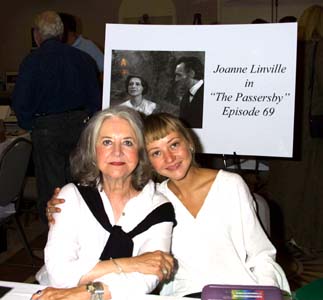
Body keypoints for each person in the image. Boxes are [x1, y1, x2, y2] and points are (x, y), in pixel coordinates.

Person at [47, 113, 291, 298]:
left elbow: (261, 255)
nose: (169, 158)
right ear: (147, 161)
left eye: (174, 145)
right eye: (156, 152)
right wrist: (62, 209)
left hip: (241, 292)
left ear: (190, 143)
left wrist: (265, 292)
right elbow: (136, 257)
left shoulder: (230, 185)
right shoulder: (155, 200)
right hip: (186, 294)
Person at [32, 107, 176, 300]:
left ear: (140, 151)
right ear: (93, 150)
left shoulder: (158, 207)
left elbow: (146, 279)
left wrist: (82, 293)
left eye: (127, 142)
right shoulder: (71, 196)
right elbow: (59, 275)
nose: (117, 152)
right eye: (107, 142)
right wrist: (129, 264)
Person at [12, 11, 101, 224]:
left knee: (52, 191)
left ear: (37, 35)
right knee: (82, 184)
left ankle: (55, 240)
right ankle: (85, 234)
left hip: (46, 129)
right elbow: (95, 100)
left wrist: (31, 125)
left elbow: (20, 103)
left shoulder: (31, 62)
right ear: (61, 34)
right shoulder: (83, 59)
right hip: (80, 126)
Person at [267, 5, 323, 251]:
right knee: (311, 188)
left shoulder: (287, 51)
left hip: (284, 129)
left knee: (283, 186)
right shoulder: (320, 52)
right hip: (312, 134)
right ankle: (307, 238)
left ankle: (281, 234)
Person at [175, 56, 204, 128]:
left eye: (179, 75)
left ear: (191, 73)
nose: (176, 79)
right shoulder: (185, 98)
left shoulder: (207, 95)